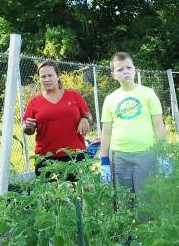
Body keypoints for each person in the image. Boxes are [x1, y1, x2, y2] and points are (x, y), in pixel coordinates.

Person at [97, 52, 167, 198]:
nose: (125, 72)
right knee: (123, 202)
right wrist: (104, 160)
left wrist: (162, 154)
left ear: (135, 69)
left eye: (128, 67)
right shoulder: (110, 99)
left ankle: (146, 222)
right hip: (119, 157)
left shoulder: (148, 93)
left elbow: (158, 125)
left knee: (146, 201)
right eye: (120, 70)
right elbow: (106, 132)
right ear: (113, 75)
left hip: (146, 154)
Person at [22, 60, 93, 180]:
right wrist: (27, 127)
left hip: (75, 156)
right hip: (47, 159)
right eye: (43, 76)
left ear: (58, 76)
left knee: (79, 194)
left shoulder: (73, 95)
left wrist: (85, 119)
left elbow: (89, 116)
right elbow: (27, 128)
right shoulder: (34, 102)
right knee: (49, 196)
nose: (46, 79)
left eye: (50, 75)